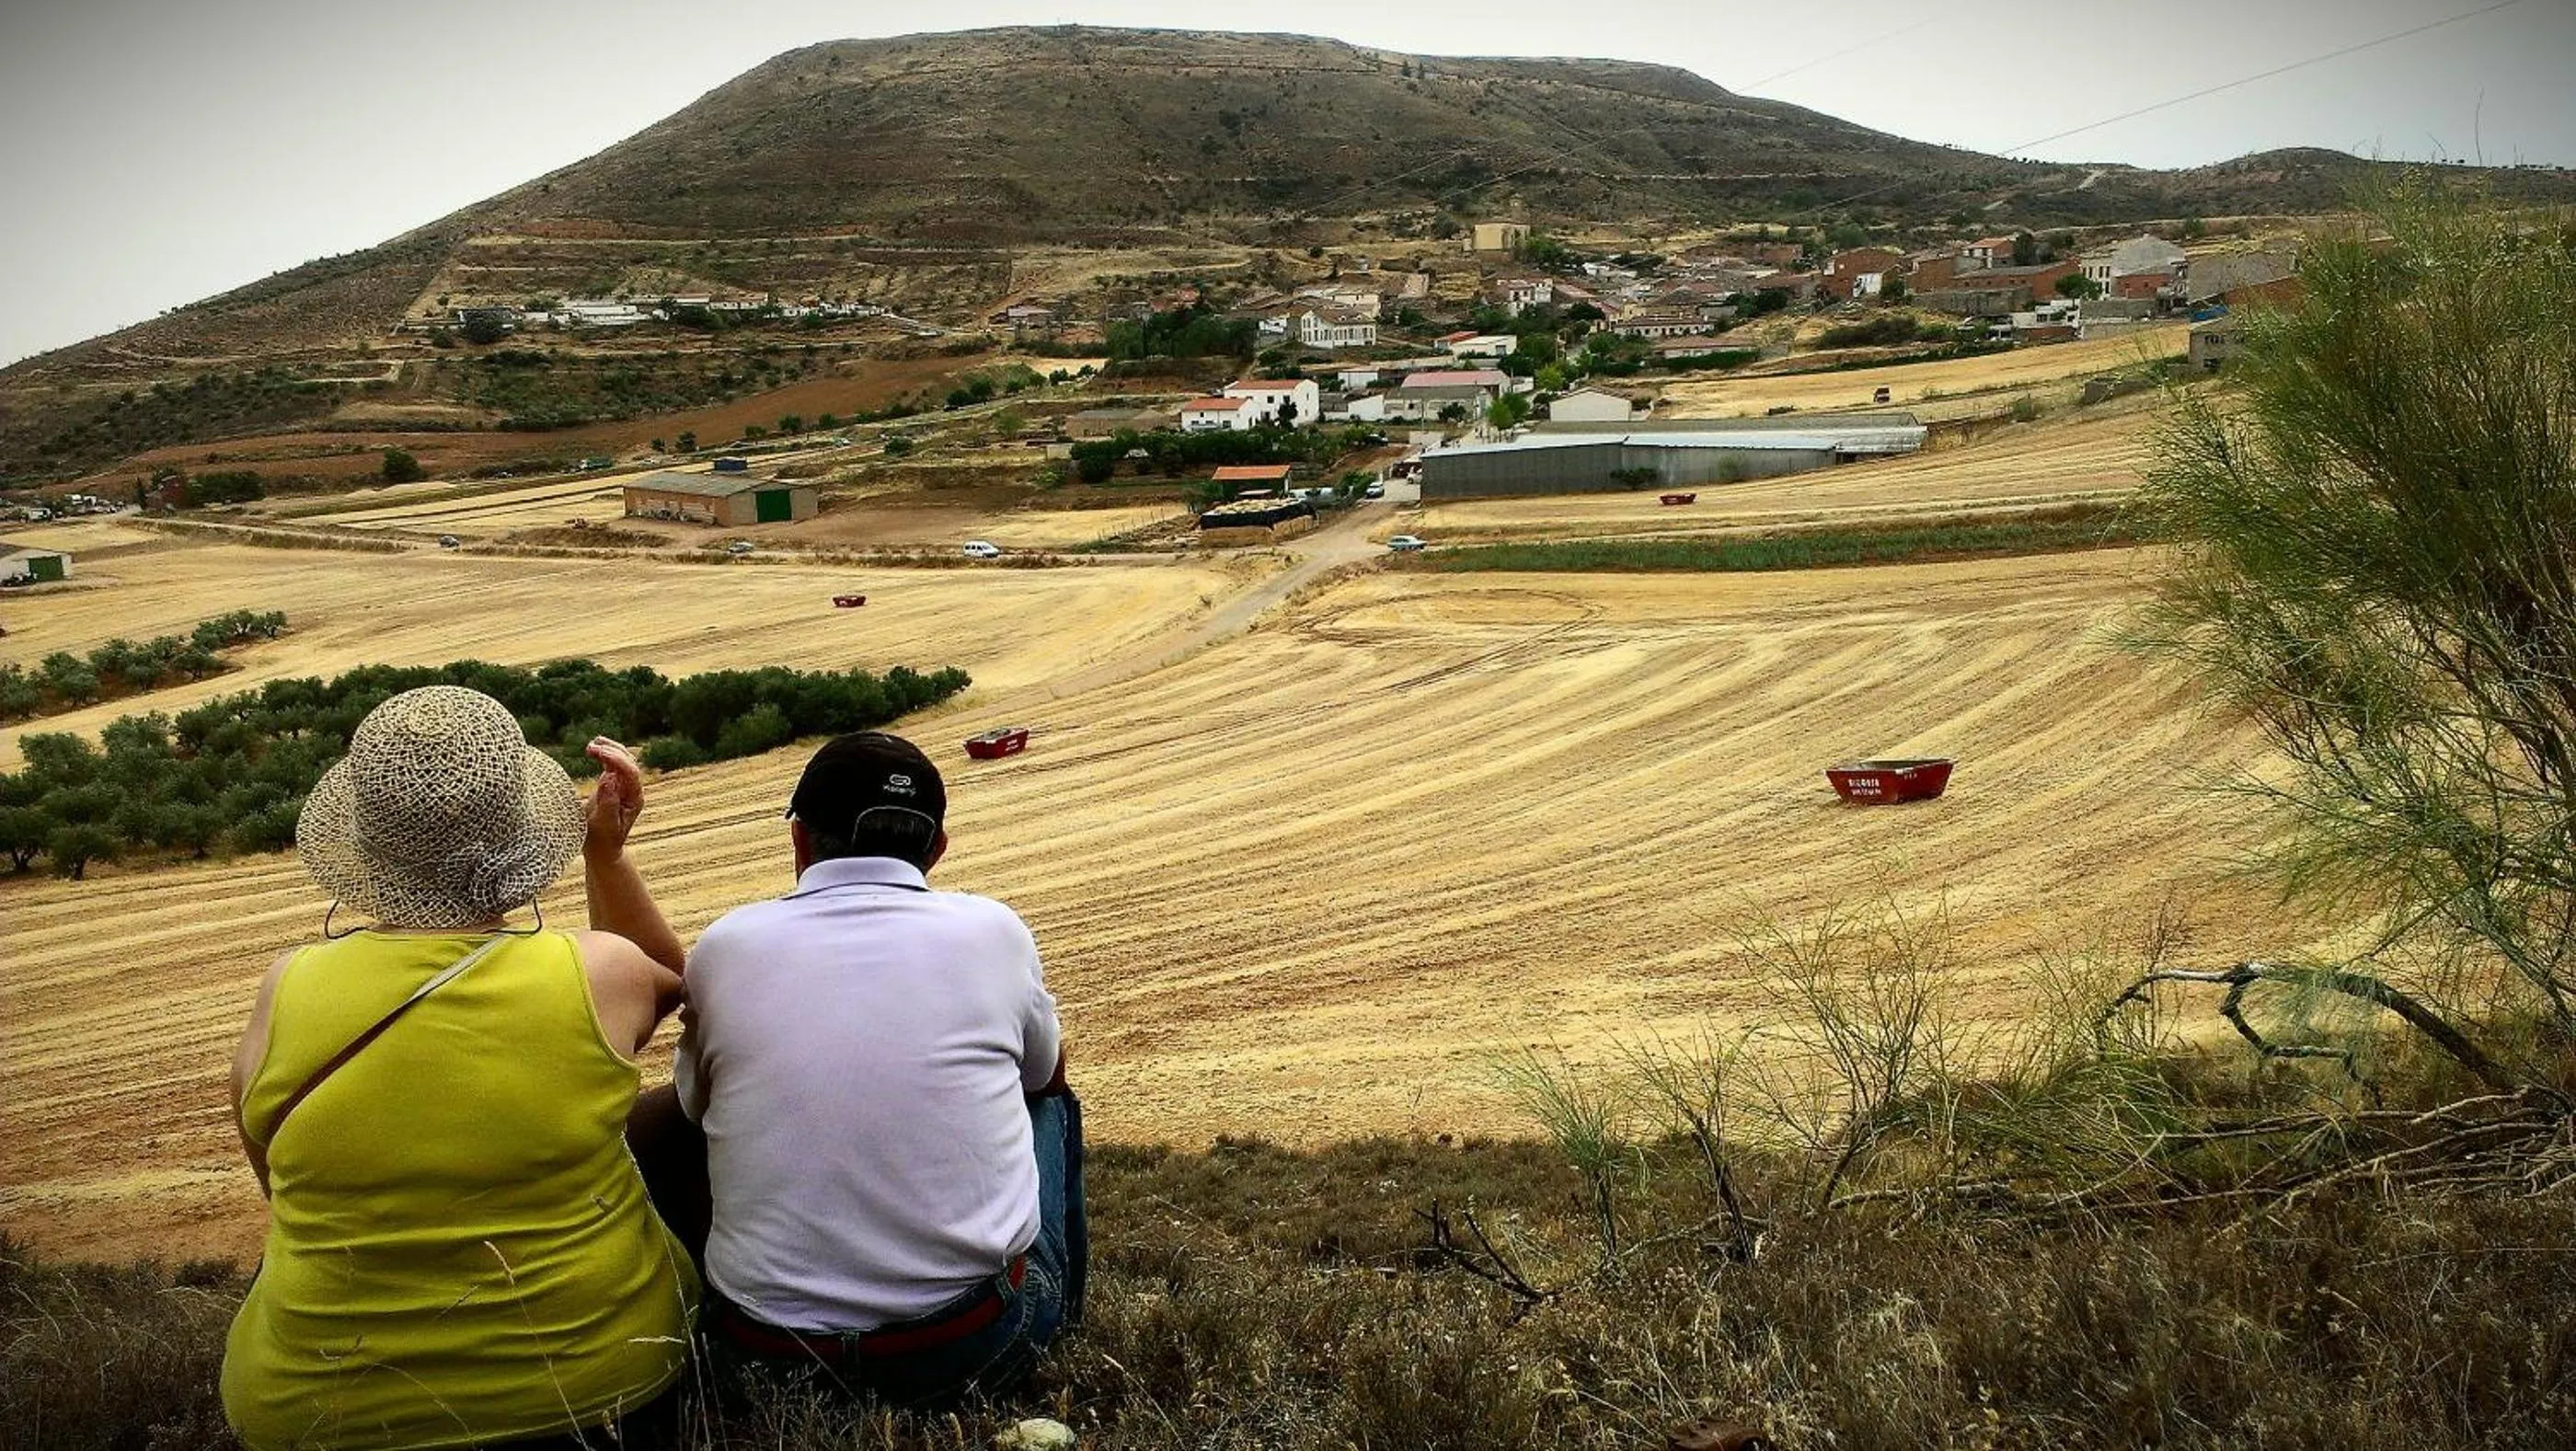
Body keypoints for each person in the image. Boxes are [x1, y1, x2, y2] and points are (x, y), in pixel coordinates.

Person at [220, 685, 698, 1451]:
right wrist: (604, 853)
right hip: (601, 1388)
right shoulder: (598, 972)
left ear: (364, 845)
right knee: (678, 1116)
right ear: (522, 832)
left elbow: (277, 1187)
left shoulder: (288, 987)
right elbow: (674, 982)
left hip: (318, 1417)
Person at [637, 731, 1083, 1407]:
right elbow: (1043, 1077)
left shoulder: (726, 946)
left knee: (679, 1114)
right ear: (937, 850)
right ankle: (1064, 1316)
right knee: (1052, 1103)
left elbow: (695, 1110)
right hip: (967, 1346)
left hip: (768, 1354)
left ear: (799, 842)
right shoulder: (995, 931)